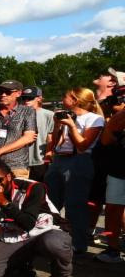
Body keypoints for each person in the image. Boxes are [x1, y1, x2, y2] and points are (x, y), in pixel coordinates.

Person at [0, 157, 72, 277]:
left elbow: (28, 223)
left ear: (9, 176)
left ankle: (61, 274)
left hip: (43, 231)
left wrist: (4, 202)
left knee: (54, 243)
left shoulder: (33, 187)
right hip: (13, 235)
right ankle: (21, 265)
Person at [45, 87, 105, 256]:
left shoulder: (95, 119)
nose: (62, 98)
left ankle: (78, 244)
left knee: (75, 205)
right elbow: (56, 143)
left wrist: (72, 125)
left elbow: (82, 145)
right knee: (50, 202)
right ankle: (45, 239)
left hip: (80, 160)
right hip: (60, 159)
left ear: (75, 99)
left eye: (65, 96)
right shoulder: (67, 115)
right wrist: (57, 125)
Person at [0, 80, 37, 179]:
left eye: (8, 92)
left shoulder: (28, 111)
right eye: (0, 91)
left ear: (18, 93)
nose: (3, 95)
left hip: (16, 166)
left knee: (15, 194)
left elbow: (28, 137)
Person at [94, 87, 125, 263]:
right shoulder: (116, 117)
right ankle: (112, 249)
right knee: (113, 208)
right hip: (118, 167)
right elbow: (106, 140)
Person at [21, 86, 53, 182]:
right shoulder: (17, 114)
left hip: (39, 159)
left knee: (39, 190)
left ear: (39, 98)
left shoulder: (49, 114)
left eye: (30, 98)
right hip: (20, 160)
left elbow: (50, 137)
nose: (26, 100)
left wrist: (48, 154)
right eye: (24, 98)